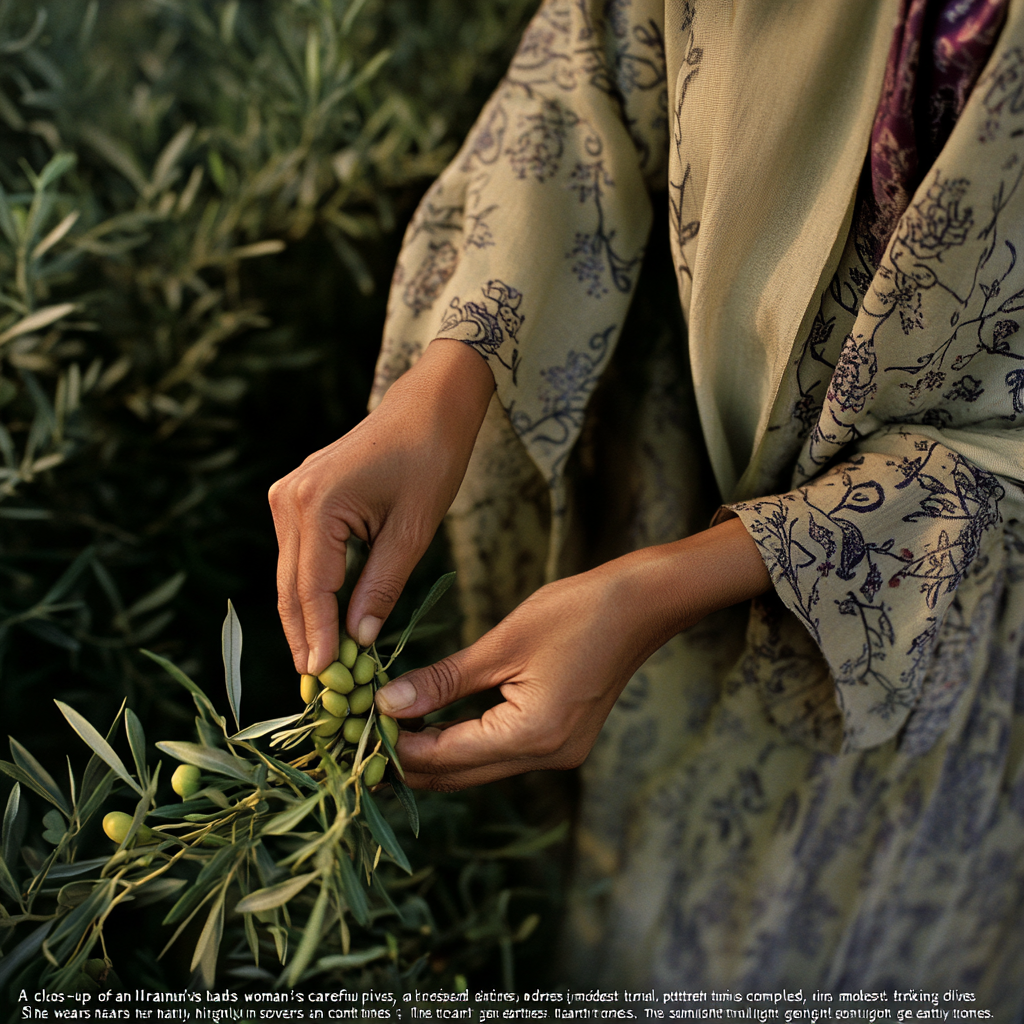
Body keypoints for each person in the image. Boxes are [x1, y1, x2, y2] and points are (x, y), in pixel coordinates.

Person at [269, 0, 1024, 1008]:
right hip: (658, 459)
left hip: (934, 639)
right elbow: (597, 46)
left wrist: (668, 587)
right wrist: (451, 373)